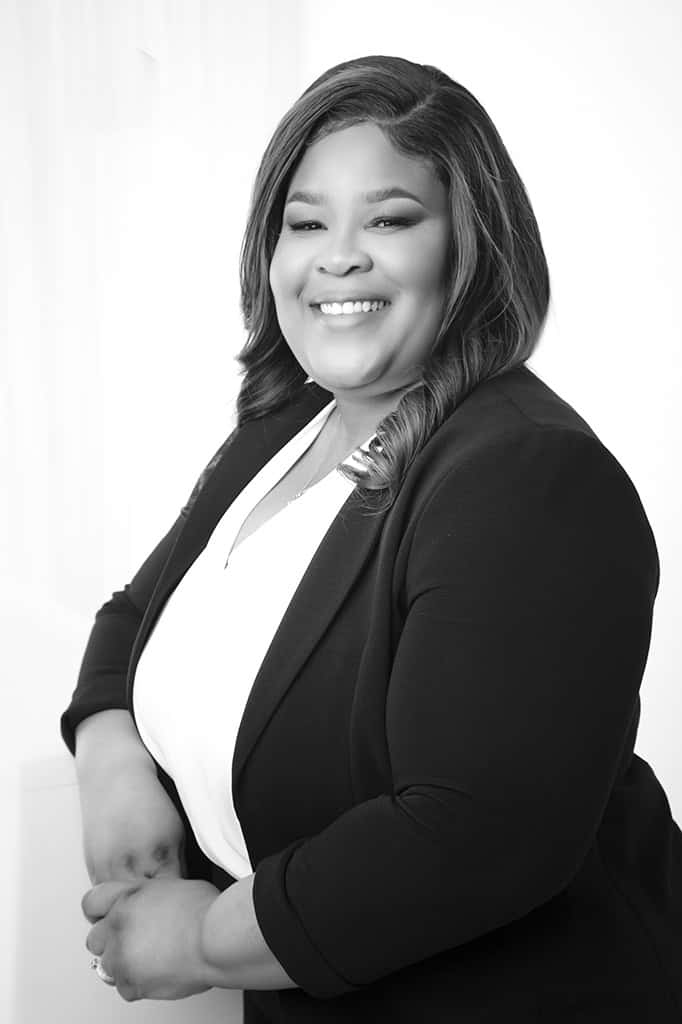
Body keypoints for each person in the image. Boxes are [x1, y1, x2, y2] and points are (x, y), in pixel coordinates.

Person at [61, 55, 682, 1022]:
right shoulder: (287, 428)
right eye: (307, 223)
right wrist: (114, 766)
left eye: (389, 220)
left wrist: (200, 938)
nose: (339, 257)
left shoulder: (526, 476)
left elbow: (470, 835)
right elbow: (135, 617)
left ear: (471, 248)